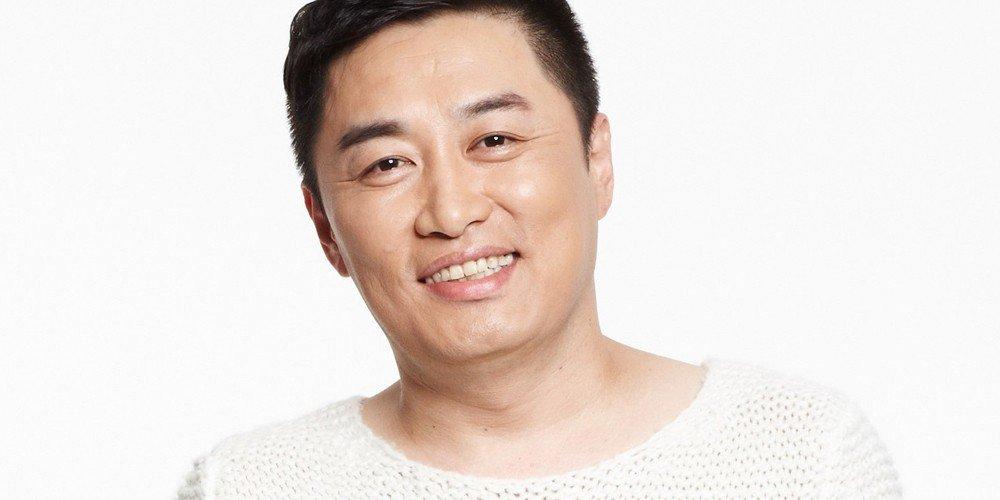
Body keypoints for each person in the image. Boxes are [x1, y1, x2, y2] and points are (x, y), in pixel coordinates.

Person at [178, 1, 902, 497]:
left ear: (597, 160)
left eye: (495, 140)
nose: (452, 211)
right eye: (388, 164)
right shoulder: (247, 486)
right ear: (325, 227)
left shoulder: (803, 461)